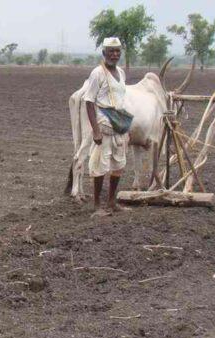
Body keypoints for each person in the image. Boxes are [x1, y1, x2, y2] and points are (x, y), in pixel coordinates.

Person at [82, 37, 129, 217]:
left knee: (119, 164)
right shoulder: (98, 73)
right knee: (100, 165)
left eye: (117, 51)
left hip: (119, 125)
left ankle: (111, 202)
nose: (115, 54)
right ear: (104, 53)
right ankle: (96, 205)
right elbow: (89, 101)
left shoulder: (121, 73)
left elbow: (121, 100)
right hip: (104, 126)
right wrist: (95, 131)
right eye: (111, 51)